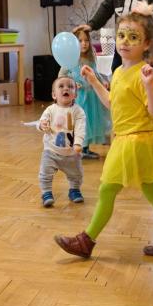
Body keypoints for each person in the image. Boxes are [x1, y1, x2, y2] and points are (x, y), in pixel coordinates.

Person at [55, 1, 153, 260]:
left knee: (107, 189)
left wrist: (150, 85)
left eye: (133, 37)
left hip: (136, 142)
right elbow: (112, 102)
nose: (125, 41)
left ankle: (86, 241)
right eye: (121, 35)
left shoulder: (143, 73)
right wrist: (94, 81)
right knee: (151, 190)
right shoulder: (118, 71)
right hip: (126, 140)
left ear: (147, 44)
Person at [38, 73, 86, 207]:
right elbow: (42, 122)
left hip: (71, 152)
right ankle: (46, 193)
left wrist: (78, 143)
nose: (66, 89)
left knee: (76, 174)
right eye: (61, 86)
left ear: (75, 95)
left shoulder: (78, 111)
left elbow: (80, 128)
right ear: (54, 95)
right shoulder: (50, 110)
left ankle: (74, 190)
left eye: (70, 87)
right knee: (45, 173)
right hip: (51, 150)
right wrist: (42, 125)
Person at [70, 27, 111, 159]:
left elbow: (96, 73)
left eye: (86, 40)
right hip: (80, 97)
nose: (84, 43)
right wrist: (72, 84)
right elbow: (62, 75)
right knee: (82, 123)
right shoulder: (71, 59)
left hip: (91, 96)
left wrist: (102, 81)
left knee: (91, 123)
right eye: (80, 40)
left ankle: (86, 148)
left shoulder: (91, 58)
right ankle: (80, 147)